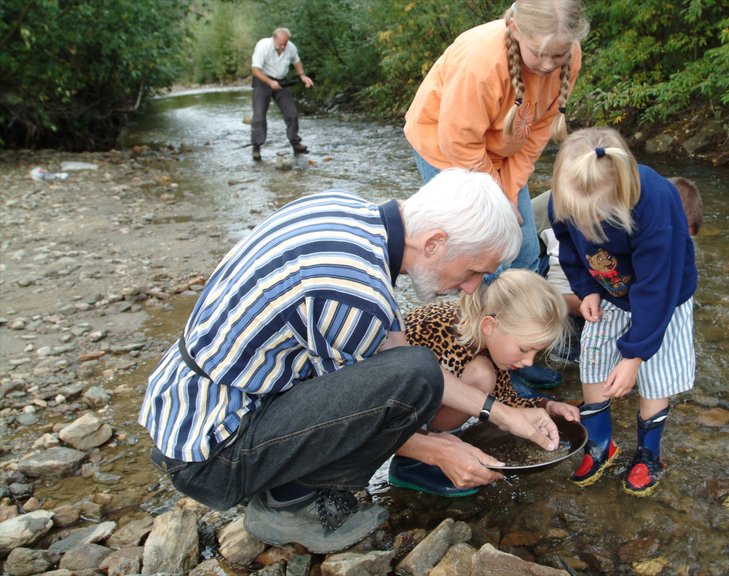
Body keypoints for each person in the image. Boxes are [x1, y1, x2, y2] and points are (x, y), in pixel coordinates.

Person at [139, 169, 563, 554]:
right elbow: (364, 415)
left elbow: (394, 354)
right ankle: (287, 503)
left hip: (188, 408)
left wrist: (503, 413)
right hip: (214, 456)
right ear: (435, 243)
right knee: (414, 375)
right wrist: (438, 452)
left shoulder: (348, 215)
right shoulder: (354, 296)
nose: (471, 288)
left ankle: (287, 489)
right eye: (474, 271)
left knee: (414, 372)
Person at [549, 127, 699, 497]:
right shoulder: (566, 196)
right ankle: (600, 445)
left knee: (655, 374)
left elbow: (655, 287)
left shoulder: (656, 205)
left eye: (596, 220)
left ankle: (649, 455)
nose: (585, 227)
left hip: (665, 294)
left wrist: (634, 356)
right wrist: (585, 290)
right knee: (594, 358)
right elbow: (567, 247)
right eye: (578, 217)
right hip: (609, 289)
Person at [403, 0, 589, 272]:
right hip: (446, 149)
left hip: (503, 150)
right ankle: (483, 311)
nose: (549, 65)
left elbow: (536, 134)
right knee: (486, 254)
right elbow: (460, 143)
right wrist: (497, 197)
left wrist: (510, 192)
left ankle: (522, 310)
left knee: (524, 251)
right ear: (515, 29)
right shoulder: (479, 64)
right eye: (538, 53)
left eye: (557, 55)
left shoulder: (569, 55)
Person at [392, 268, 581, 496]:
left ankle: (435, 442)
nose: (529, 362)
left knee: (484, 376)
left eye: (535, 353)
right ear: (490, 326)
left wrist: (548, 406)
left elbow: (502, 398)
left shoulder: (488, 340)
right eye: (524, 349)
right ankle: (411, 461)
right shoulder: (433, 328)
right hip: (392, 413)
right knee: (482, 375)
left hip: (420, 406)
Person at [531, 174, 704, 365]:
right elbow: (559, 289)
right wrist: (612, 313)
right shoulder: (579, 216)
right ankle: (563, 348)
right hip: (537, 266)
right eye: (673, 241)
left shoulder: (646, 219)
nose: (675, 251)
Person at [250, 27, 314, 161]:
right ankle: (256, 146)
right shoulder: (263, 45)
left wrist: (302, 76)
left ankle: (295, 143)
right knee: (259, 116)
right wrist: (269, 82)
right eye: (281, 44)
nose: (284, 46)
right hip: (263, 81)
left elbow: (297, 61)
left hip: (281, 82)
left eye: (286, 43)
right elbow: (255, 70)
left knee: (292, 114)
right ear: (274, 38)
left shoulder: (290, 47)